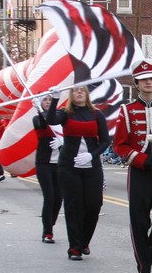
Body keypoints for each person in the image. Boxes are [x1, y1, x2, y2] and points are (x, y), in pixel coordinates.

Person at [113, 59, 152, 273]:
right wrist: (140, 159)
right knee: (139, 222)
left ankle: (151, 256)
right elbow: (120, 145)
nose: (148, 82)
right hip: (138, 174)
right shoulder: (126, 112)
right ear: (136, 83)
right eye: (143, 79)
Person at [45, 86, 110, 260]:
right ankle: (74, 247)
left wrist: (92, 155)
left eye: (82, 90)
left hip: (92, 166)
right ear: (71, 95)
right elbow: (50, 120)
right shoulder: (65, 113)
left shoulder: (97, 115)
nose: (79, 92)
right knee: (73, 207)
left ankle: (84, 241)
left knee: (94, 205)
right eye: (75, 90)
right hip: (68, 167)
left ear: (87, 94)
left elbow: (105, 141)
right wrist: (55, 99)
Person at [32, 94, 63, 244]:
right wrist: (38, 109)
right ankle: (47, 231)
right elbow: (43, 125)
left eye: (50, 100)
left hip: (60, 163)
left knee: (59, 198)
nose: (47, 102)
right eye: (45, 100)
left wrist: (61, 141)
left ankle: (51, 222)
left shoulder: (60, 117)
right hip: (44, 163)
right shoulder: (37, 118)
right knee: (49, 197)